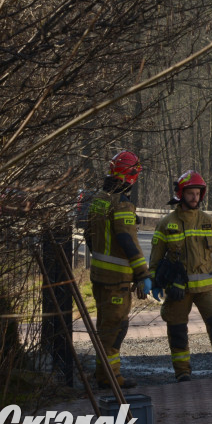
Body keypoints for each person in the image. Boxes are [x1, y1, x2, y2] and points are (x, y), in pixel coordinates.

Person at [149, 170, 212, 382]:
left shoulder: (208, 222)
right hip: (178, 289)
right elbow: (156, 256)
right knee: (177, 331)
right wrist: (155, 282)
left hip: (206, 288)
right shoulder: (167, 223)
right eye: (191, 193)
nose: (195, 197)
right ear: (181, 194)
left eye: (197, 193)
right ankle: (182, 371)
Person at [87, 150, 151, 389]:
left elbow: (89, 236)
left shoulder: (99, 199)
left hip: (99, 277)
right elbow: (127, 240)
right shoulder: (122, 204)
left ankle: (104, 374)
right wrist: (142, 274)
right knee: (114, 330)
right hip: (116, 281)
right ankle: (110, 377)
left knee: (105, 327)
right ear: (131, 175)